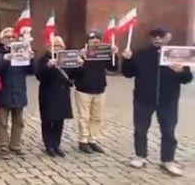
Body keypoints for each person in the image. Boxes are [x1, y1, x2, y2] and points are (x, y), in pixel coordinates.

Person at [122, 26, 192, 177]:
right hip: (143, 98)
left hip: (168, 100)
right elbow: (128, 73)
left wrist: (181, 71)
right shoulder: (141, 54)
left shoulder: (176, 55)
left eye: (161, 36)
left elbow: (187, 80)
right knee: (140, 129)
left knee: (168, 131)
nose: (157, 39)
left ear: (169, 37)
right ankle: (140, 155)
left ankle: (168, 160)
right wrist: (127, 60)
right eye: (154, 36)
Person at [66, 30, 118, 155]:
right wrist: (80, 62)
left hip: (99, 89)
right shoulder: (80, 53)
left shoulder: (103, 53)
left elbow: (113, 68)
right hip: (84, 89)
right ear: (87, 41)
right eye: (92, 40)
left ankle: (92, 139)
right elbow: (72, 74)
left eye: (97, 41)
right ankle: (83, 140)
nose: (95, 42)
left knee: (97, 117)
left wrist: (114, 55)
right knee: (84, 117)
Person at [0, 28, 33, 158]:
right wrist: (5, 59)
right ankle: (3, 146)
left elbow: (32, 71)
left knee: (19, 121)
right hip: (3, 91)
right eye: (7, 37)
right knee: (3, 122)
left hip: (19, 90)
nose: (10, 39)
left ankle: (15, 145)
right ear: (2, 39)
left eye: (12, 37)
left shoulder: (21, 50)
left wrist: (31, 58)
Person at [36, 36, 73, 157]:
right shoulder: (43, 60)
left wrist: (80, 63)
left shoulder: (66, 58)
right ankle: (48, 145)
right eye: (55, 45)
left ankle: (56, 144)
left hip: (62, 93)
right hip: (48, 93)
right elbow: (38, 75)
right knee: (47, 120)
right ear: (48, 46)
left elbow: (74, 74)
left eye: (60, 46)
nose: (57, 48)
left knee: (59, 120)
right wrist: (48, 66)